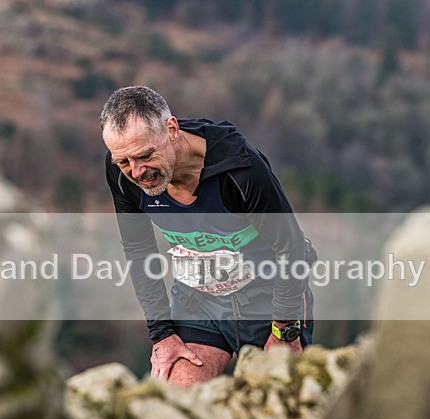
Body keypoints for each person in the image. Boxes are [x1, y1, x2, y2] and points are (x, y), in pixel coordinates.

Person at [101, 86, 314, 387]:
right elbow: (138, 250)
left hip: (270, 297)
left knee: (274, 400)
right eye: (123, 162)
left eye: (145, 155)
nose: (136, 171)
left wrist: (285, 331)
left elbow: (291, 250)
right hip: (197, 298)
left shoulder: (240, 171)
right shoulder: (124, 174)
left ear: (171, 130)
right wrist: (162, 335)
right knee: (173, 401)